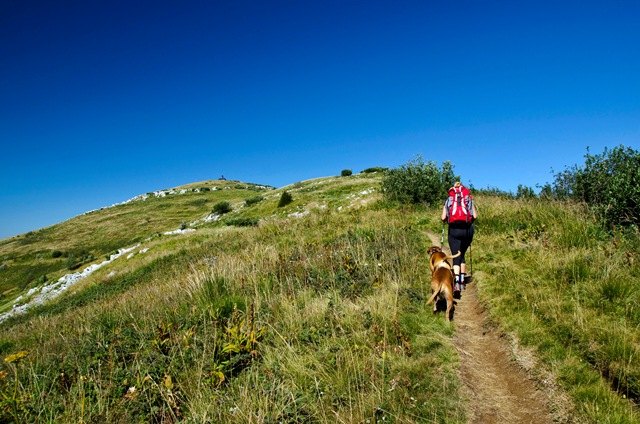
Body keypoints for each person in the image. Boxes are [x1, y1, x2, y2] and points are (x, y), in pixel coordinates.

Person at [441, 181, 478, 294]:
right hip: (467, 230)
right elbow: (475, 216)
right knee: (462, 254)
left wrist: (449, 220)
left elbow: (443, 218)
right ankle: (462, 281)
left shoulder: (449, 199)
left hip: (454, 230)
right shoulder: (468, 198)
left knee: (456, 255)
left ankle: (456, 282)